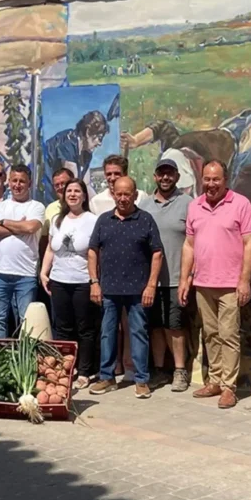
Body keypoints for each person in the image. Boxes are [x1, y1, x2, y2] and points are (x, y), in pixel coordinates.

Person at [179, 160, 251, 409]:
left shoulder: (241, 204)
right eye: (207, 179)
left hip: (230, 284)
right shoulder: (195, 206)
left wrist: (244, 280)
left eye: (216, 179)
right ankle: (214, 380)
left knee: (229, 335)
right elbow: (189, 245)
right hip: (203, 283)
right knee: (210, 334)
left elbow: (250, 243)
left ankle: (229, 387)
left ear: (226, 180)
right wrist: (184, 279)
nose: (211, 184)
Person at [88, 176, 163, 399]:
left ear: (135, 195)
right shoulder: (104, 220)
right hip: (108, 289)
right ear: (113, 194)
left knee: (138, 333)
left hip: (138, 290)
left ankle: (141, 380)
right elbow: (92, 251)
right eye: (118, 194)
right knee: (107, 333)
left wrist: (151, 285)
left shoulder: (145, 219)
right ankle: (107, 377)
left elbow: (157, 253)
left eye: (126, 194)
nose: (122, 198)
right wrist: (94, 282)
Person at [89, 154, 148, 380]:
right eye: (109, 174)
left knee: (133, 325)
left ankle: (130, 366)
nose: (112, 178)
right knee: (111, 327)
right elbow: (96, 242)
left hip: (133, 274)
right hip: (109, 273)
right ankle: (113, 369)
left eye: (117, 173)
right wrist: (95, 278)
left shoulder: (141, 197)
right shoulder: (97, 202)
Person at [139, 158, 193, 392]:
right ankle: (160, 370)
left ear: (177, 177)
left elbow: (194, 241)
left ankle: (180, 370)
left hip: (176, 279)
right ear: (155, 176)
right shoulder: (144, 205)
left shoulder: (188, 203)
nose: (165, 177)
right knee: (155, 327)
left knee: (175, 326)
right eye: (161, 173)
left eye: (170, 173)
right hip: (150, 280)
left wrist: (189, 277)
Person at [40, 179, 99, 389]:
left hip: (82, 281)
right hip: (59, 281)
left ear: (84, 196)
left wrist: (95, 281)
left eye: (77, 191)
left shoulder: (93, 220)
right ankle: (65, 369)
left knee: (85, 329)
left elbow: (95, 252)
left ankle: (84, 371)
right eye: (69, 191)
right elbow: (51, 248)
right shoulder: (57, 219)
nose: (73, 194)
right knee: (63, 328)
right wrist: (44, 272)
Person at [0, 165, 45, 338]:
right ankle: (1, 353)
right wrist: (19, 227)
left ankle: (23, 355)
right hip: (0, 273)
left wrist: (3, 222)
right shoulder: (0, 206)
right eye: (14, 181)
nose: (17, 185)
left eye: (22, 181)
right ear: (9, 182)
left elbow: (30, 227)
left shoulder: (36, 206)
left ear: (29, 184)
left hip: (25, 274)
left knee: (26, 321)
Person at [44, 110, 109, 203]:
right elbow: (73, 184)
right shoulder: (67, 143)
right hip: (50, 197)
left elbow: (86, 185)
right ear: (88, 132)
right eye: (99, 138)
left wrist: (99, 205)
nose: (100, 143)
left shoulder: (86, 152)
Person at [42, 167, 74, 241]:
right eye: (57, 185)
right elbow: (44, 238)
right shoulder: (50, 209)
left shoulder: (84, 207)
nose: (60, 187)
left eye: (64, 183)